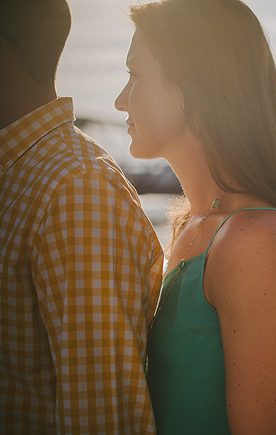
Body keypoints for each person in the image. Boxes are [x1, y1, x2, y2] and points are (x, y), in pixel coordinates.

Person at [114, 0, 276, 433]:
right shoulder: (193, 225)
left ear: (192, 86)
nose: (119, 100)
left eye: (135, 75)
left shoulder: (255, 239)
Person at [0, 1, 163, 433]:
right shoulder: (27, 176)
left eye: (137, 75)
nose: (119, 99)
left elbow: (105, 421)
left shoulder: (75, 188)